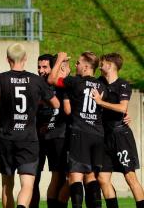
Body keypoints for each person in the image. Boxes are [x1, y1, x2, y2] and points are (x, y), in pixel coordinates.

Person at [0, 43, 60, 208]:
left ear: (8, 59)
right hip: (29, 139)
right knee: (27, 185)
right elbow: (56, 104)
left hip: (7, 139)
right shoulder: (36, 80)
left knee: (7, 186)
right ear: (25, 59)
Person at [48, 51, 106, 208]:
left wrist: (60, 59)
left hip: (80, 134)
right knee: (92, 177)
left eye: (78, 63)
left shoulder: (75, 82)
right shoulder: (102, 85)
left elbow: (52, 79)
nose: (76, 65)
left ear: (86, 66)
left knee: (75, 177)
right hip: (98, 135)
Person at [91, 53, 144, 208]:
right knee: (102, 178)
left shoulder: (123, 85)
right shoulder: (99, 83)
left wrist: (100, 102)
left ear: (110, 65)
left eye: (103, 63)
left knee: (130, 177)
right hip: (104, 137)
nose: (100, 66)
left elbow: (122, 107)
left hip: (121, 136)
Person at [30, 54, 71, 208]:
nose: (41, 70)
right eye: (39, 67)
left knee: (59, 177)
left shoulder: (61, 83)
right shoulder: (34, 84)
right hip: (37, 138)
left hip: (58, 136)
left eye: (45, 67)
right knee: (33, 178)